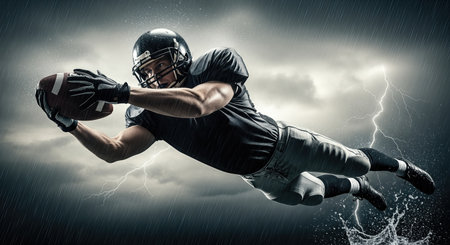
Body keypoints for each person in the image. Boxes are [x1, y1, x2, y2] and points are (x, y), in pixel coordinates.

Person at [35, 28, 435, 210]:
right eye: (149, 72)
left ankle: (401, 168)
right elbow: (114, 152)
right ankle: (354, 189)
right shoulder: (146, 113)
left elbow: (197, 104)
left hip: (286, 142)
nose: (155, 76)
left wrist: (121, 92)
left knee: (360, 159)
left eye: (161, 65)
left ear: (182, 57)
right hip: (256, 175)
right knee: (309, 196)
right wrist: (70, 126)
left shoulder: (215, 65)